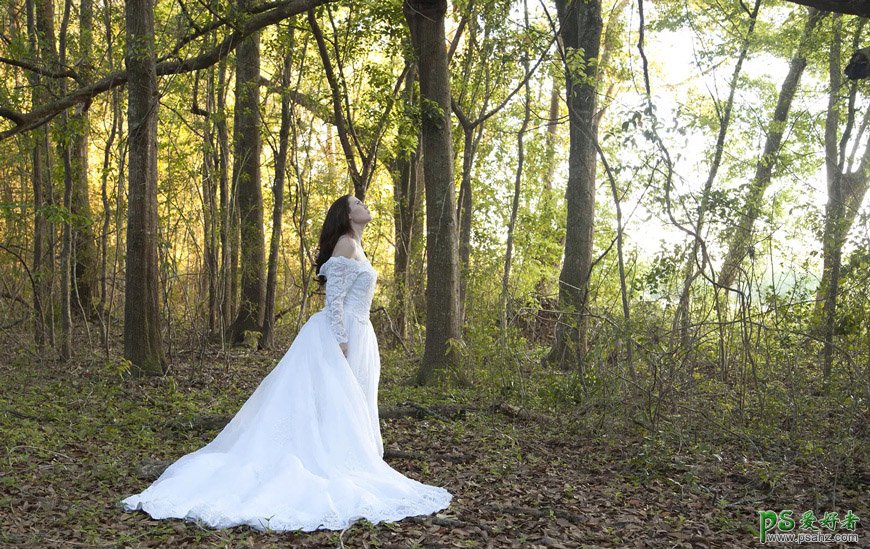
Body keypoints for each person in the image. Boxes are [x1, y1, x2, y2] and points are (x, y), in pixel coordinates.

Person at [120, 194, 453, 532]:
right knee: (340, 399)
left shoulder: (355, 244)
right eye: (357, 203)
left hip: (360, 332)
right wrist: (341, 342)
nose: (364, 205)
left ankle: (345, 452)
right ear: (346, 214)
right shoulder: (345, 245)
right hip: (341, 335)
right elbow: (334, 301)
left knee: (351, 401)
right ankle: (328, 458)